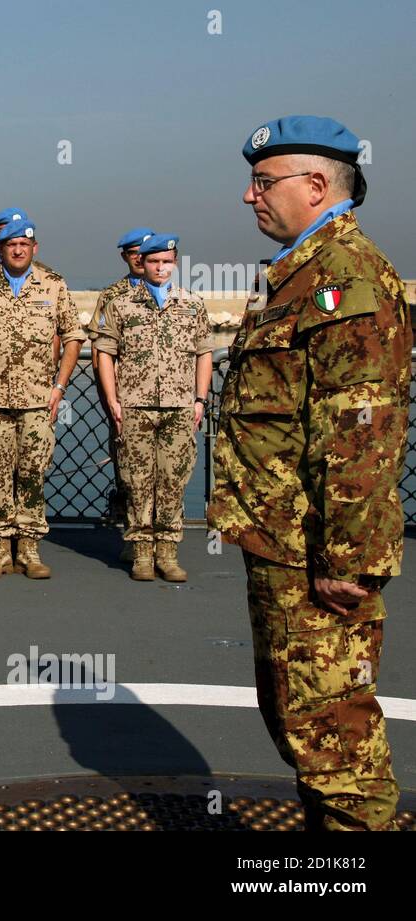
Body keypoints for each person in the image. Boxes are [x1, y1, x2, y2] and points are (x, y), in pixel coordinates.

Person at [210, 116, 409, 831]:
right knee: (306, 727)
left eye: (264, 182)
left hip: (318, 559)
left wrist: (347, 559)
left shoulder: (344, 279)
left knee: (336, 745)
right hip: (287, 548)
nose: (249, 196)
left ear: (318, 185)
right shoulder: (301, 277)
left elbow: (361, 431)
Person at [0, 220, 84, 579]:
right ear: (0, 246)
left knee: (32, 473)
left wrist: (59, 386)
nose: (18, 250)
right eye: (11, 244)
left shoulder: (53, 284)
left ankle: (29, 548)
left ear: (35, 247)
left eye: (24, 243)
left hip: (39, 402)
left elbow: (73, 336)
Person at [94, 234, 212, 581]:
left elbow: (204, 352)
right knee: (137, 481)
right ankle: (142, 554)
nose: (160, 268)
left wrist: (199, 399)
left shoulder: (191, 303)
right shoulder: (122, 305)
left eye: (166, 262)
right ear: (142, 264)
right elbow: (105, 352)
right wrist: (113, 398)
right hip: (135, 405)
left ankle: (168, 553)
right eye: (153, 262)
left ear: (174, 263)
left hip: (178, 406)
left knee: (173, 481)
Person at [89, 227, 154, 555]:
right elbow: (101, 352)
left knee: (168, 471)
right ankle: (135, 537)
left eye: (147, 253)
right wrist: (109, 400)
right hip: (126, 399)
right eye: (134, 254)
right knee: (129, 470)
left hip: (167, 398)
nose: (141, 260)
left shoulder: (174, 293)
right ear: (125, 257)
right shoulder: (112, 295)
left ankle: (163, 538)